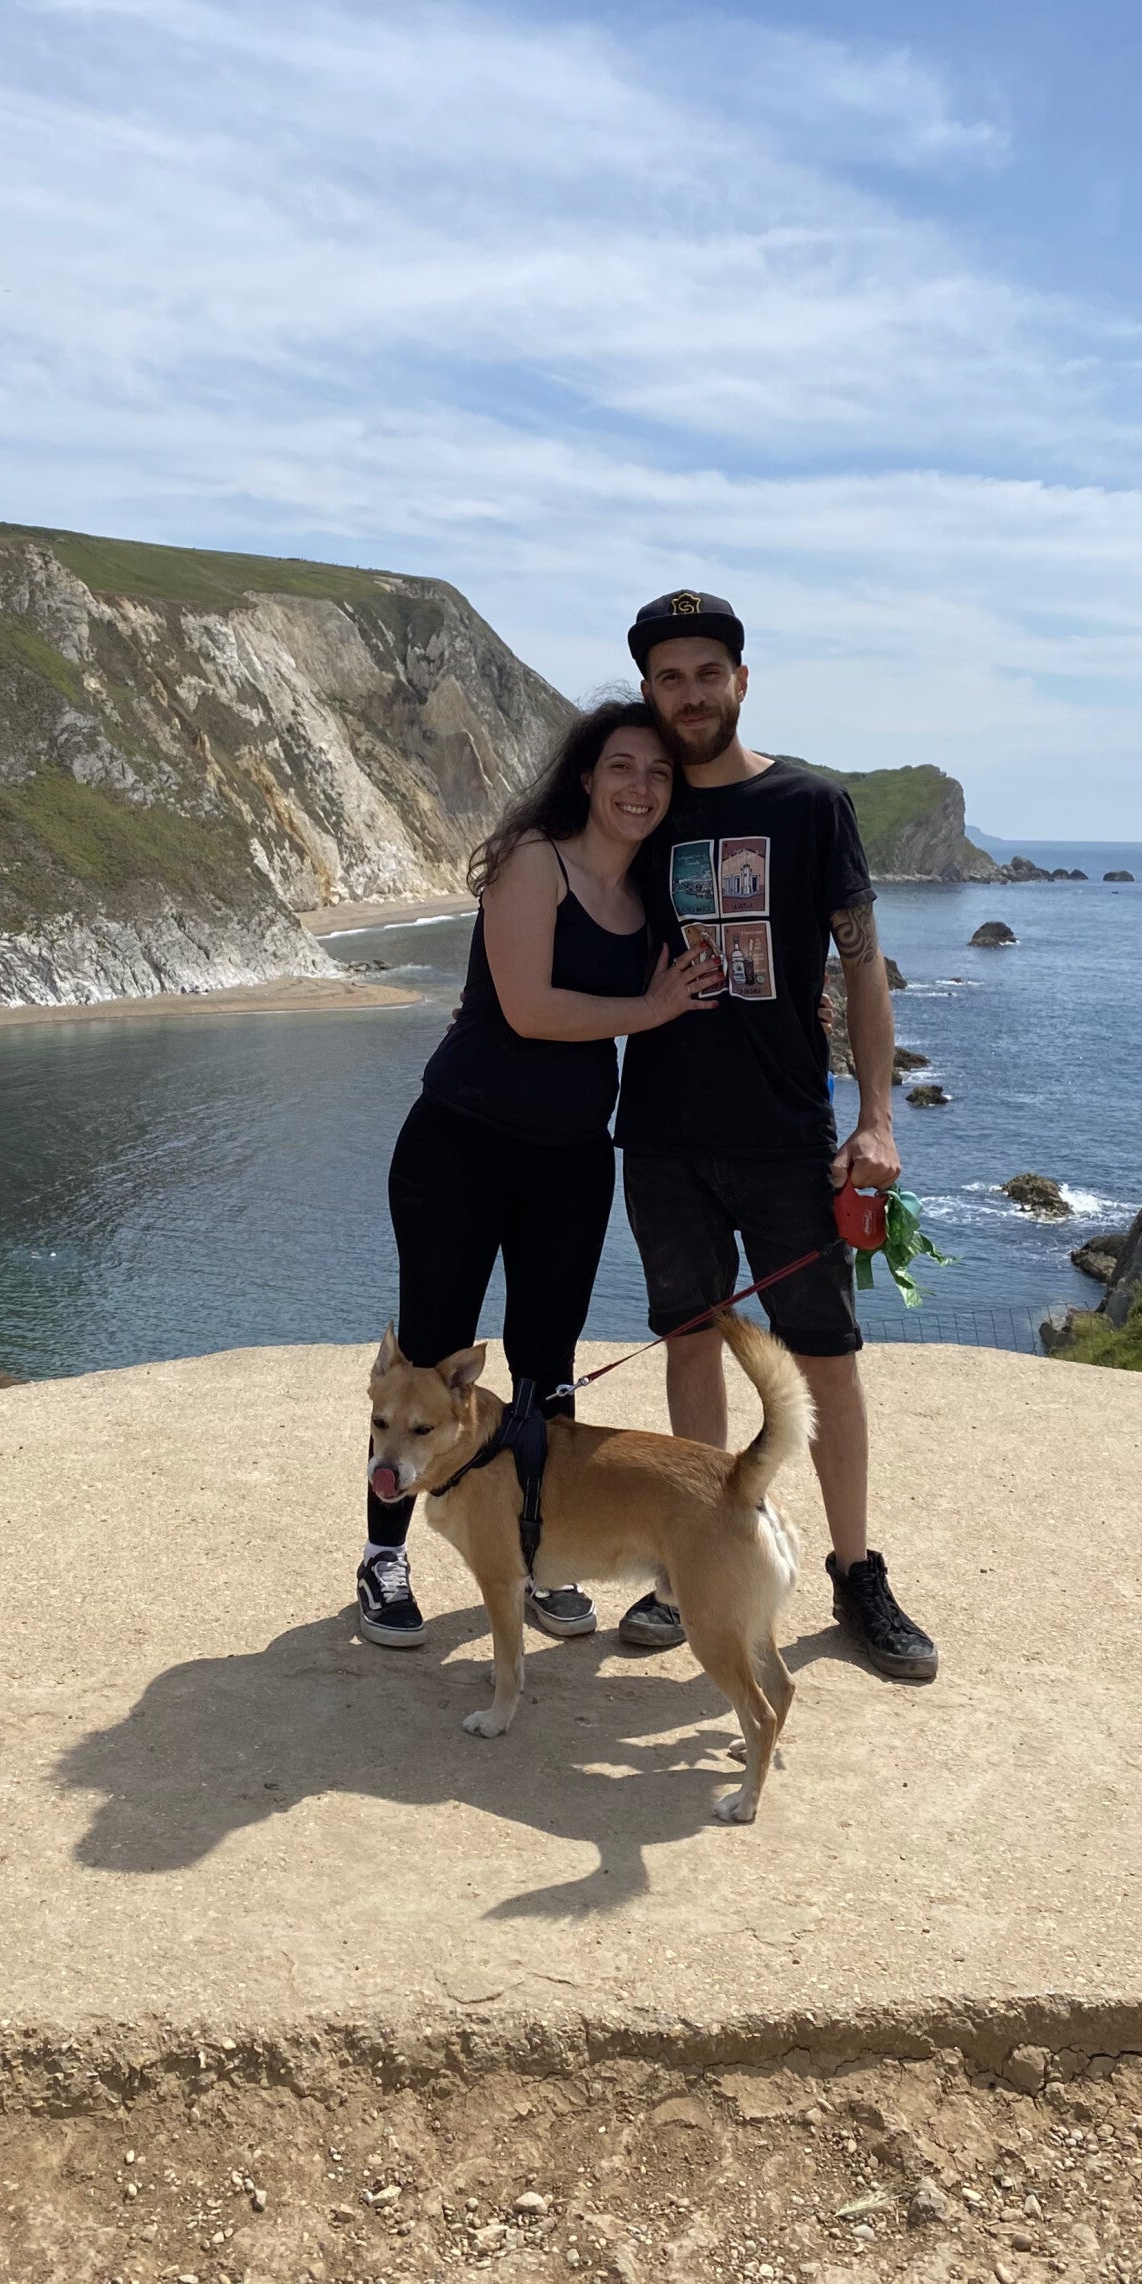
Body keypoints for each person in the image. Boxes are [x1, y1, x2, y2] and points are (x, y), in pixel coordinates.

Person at [611, 590, 939, 1681]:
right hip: (661, 1134)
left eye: (708, 673)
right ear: (651, 693)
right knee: (691, 1346)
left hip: (788, 1137)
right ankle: (691, 1563)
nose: (690, 694)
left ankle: (856, 1571)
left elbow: (861, 963)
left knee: (827, 1361)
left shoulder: (810, 804)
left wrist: (879, 1118)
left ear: (741, 682)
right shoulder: (640, 807)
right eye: (669, 678)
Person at [356, 700, 722, 1648]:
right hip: (460, 1144)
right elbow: (527, 1010)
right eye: (622, 768)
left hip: (569, 1158)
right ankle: (384, 1555)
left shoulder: (649, 896)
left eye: (658, 773)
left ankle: (531, 1551)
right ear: (587, 778)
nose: (640, 787)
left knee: (547, 1368)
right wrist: (653, 1007)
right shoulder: (536, 861)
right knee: (429, 1360)